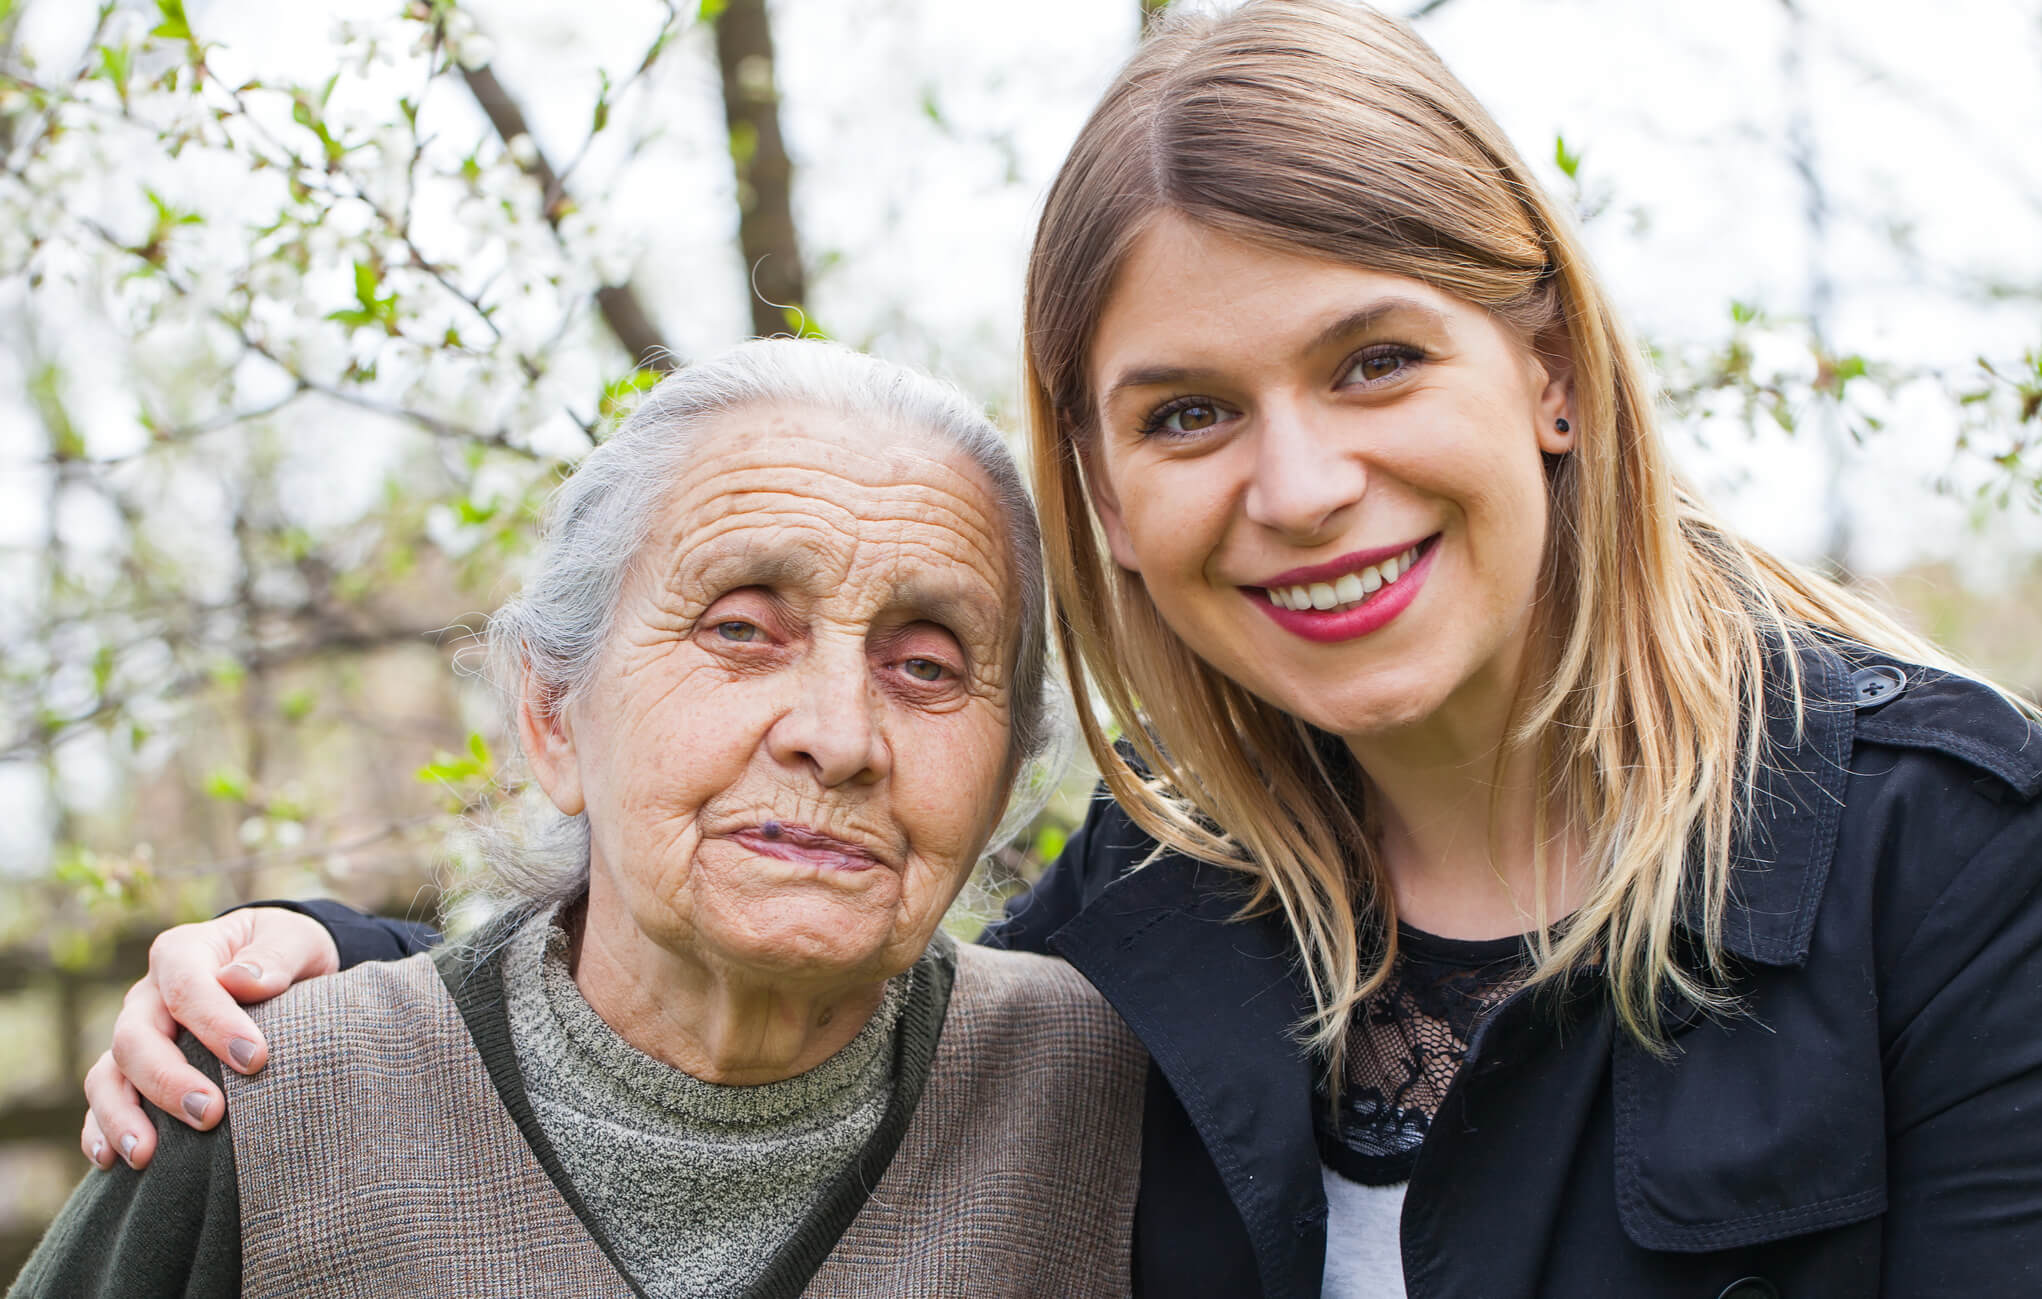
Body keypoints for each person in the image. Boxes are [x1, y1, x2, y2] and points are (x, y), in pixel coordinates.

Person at [69, 3, 2042, 1296]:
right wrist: (340, 970)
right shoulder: (1162, 920)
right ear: (1103, 489)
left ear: (1540, 365)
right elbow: (791, 957)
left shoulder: (1934, 861)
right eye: (1186, 412)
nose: (1299, 480)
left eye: (1374, 359)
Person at [13, 340, 1145, 1299]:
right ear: (553, 716)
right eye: (742, 631)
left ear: (1004, 777)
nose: (839, 736)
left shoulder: (1121, 1100)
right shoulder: (266, 1107)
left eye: (926, 665)